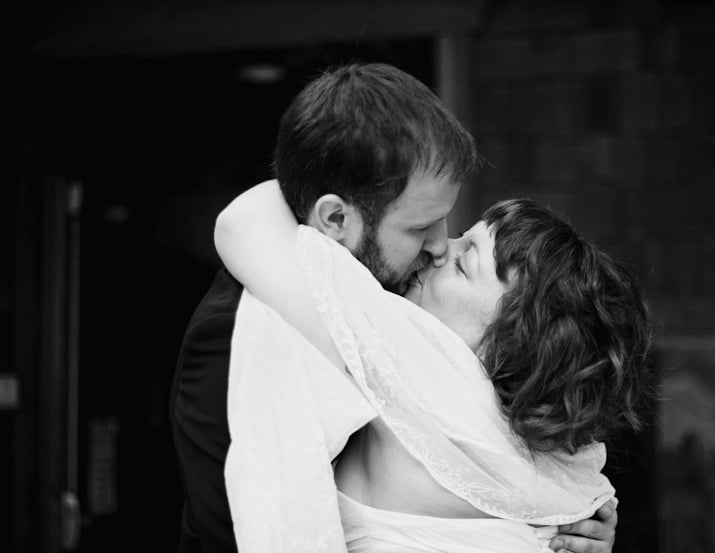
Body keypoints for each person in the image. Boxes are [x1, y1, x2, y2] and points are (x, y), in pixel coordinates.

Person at [170, 62, 618, 553]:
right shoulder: (235, 334)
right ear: (336, 217)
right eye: (419, 227)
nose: (438, 246)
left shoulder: (393, 308)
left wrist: (565, 519)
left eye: (445, 221)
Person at [213, 181, 655, 553]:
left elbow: (244, 221)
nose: (441, 246)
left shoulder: (408, 350)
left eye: (464, 263)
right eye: (464, 234)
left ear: (505, 345)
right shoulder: (561, 477)